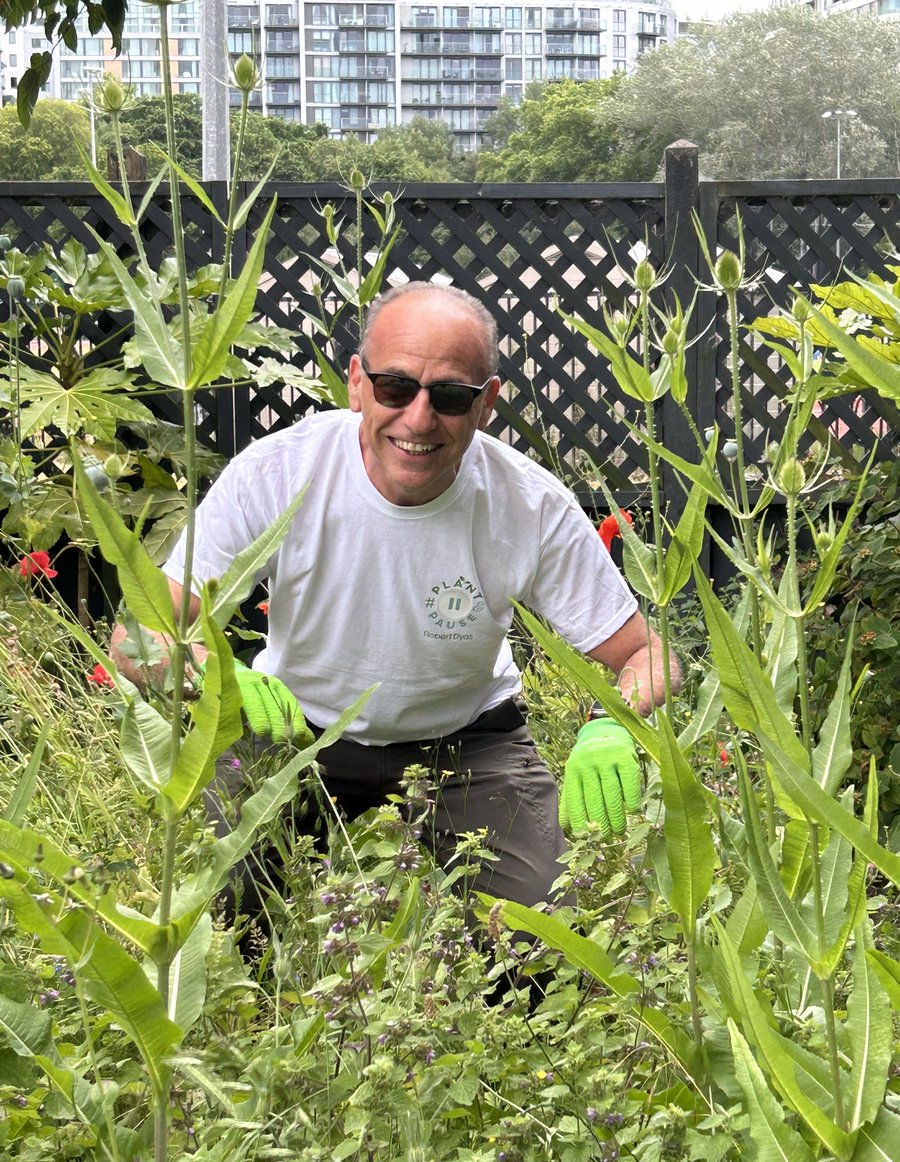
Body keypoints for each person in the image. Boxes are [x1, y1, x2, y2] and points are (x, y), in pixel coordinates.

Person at [112, 282, 678, 911]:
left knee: (545, 937)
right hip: (295, 731)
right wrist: (210, 678)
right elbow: (138, 637)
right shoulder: (279, 472)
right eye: (395, 387)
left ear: (486, 404)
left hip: (466, 741)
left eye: (451, 397)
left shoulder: (529, 504)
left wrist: (613, 726)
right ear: (357, 383)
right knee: (209, 921)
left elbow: (647, 655)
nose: (419, 418)